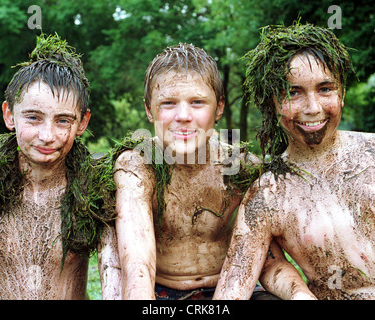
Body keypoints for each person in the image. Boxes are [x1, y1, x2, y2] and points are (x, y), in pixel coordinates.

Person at [213, 22, 375, 300]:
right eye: (293, 92)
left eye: (325, 89)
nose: (313, 108)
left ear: (341, 93)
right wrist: (296, 293)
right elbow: (233, 288)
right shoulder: (267, 194)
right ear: (272, 102)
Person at [112, 43, 313, 299]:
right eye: (168, 103)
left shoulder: (240, 167)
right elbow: (137, 265)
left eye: (197, 102)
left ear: (218, 108)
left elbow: (269, 260)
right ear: (149, 111)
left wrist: (300, 295)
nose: (183, 116)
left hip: (232, 287)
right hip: (161, 292)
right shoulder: (137, 166)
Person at [0, 34, 121, 299]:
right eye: (33, 118)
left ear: (82, 123)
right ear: (9, 115)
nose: (47, 135)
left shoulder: (94, 193)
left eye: (63, 121)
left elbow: (114, 282)